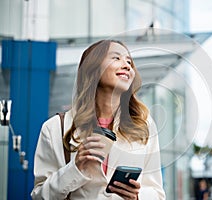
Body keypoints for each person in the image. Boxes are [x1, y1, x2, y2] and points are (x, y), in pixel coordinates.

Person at [31, 40, 166, 199]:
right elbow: (39, 196)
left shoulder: (144, 126)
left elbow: (157, 194)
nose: (127, 65)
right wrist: (75, 169)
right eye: (116, 58)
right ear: (92, 68)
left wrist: (137, 196)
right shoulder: (54, 128)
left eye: (129, 62)